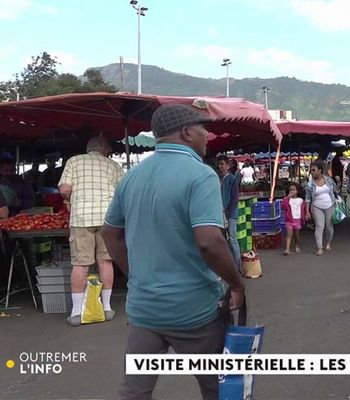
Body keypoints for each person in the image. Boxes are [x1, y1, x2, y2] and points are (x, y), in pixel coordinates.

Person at [101, 104, 245, 400]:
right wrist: (236, 282)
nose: (208, 135)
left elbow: (110, 233)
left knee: (134, 392)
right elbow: (209, 241)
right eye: (204, 129)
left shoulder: (132, 177)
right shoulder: (201, 175)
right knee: (217, 387)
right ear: (187, 131)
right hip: (193, 311)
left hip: (144, 310)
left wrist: (136, 275)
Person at [58, 136, 124, 327]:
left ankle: (77, 312)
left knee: (81, 263)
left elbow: (63, 189)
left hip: (81, 218)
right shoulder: (113, 165)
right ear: (104, 150)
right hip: (108, 218)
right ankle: (107, 308)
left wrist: (72, 199)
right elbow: (122, 193)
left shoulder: (74, 161)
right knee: (106, 262)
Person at [305, 160, 336, 256]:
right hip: (316, 206)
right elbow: (308, 198)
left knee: (329, 227)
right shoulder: (310, 184)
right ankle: (319, 248)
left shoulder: (329, 180)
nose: (312, 172)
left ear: (320, 170)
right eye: (311, 170)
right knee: (319, 226)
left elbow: (335, 190)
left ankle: (328, 243)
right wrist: (307, 211)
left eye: (314, 170)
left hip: (329, 205)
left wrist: (338, 182)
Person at [217, 155, 241, 271]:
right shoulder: (217, 178)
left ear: (227, 165)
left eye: (222, 164)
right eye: (219, 164)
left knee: (232, 239)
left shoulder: (232, 179)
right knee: (223, 240)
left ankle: (237, 267)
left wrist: (228, 212)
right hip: (219, 213)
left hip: (231, 214)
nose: (220, 166)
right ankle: (227, 266)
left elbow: (235, 198)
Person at [282, 182, 306, 255]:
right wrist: (287, 197)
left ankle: (297, 245)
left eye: (293, 190)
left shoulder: (300, 200)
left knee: (296, 234)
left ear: (297, 191)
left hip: (297, 219)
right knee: (289, 234)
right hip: (289, 219)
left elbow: (303, 209)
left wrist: (305, 216)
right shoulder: (287, 199)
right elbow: (283, 206)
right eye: (290, 190)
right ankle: (287, 249)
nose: (292, 191)